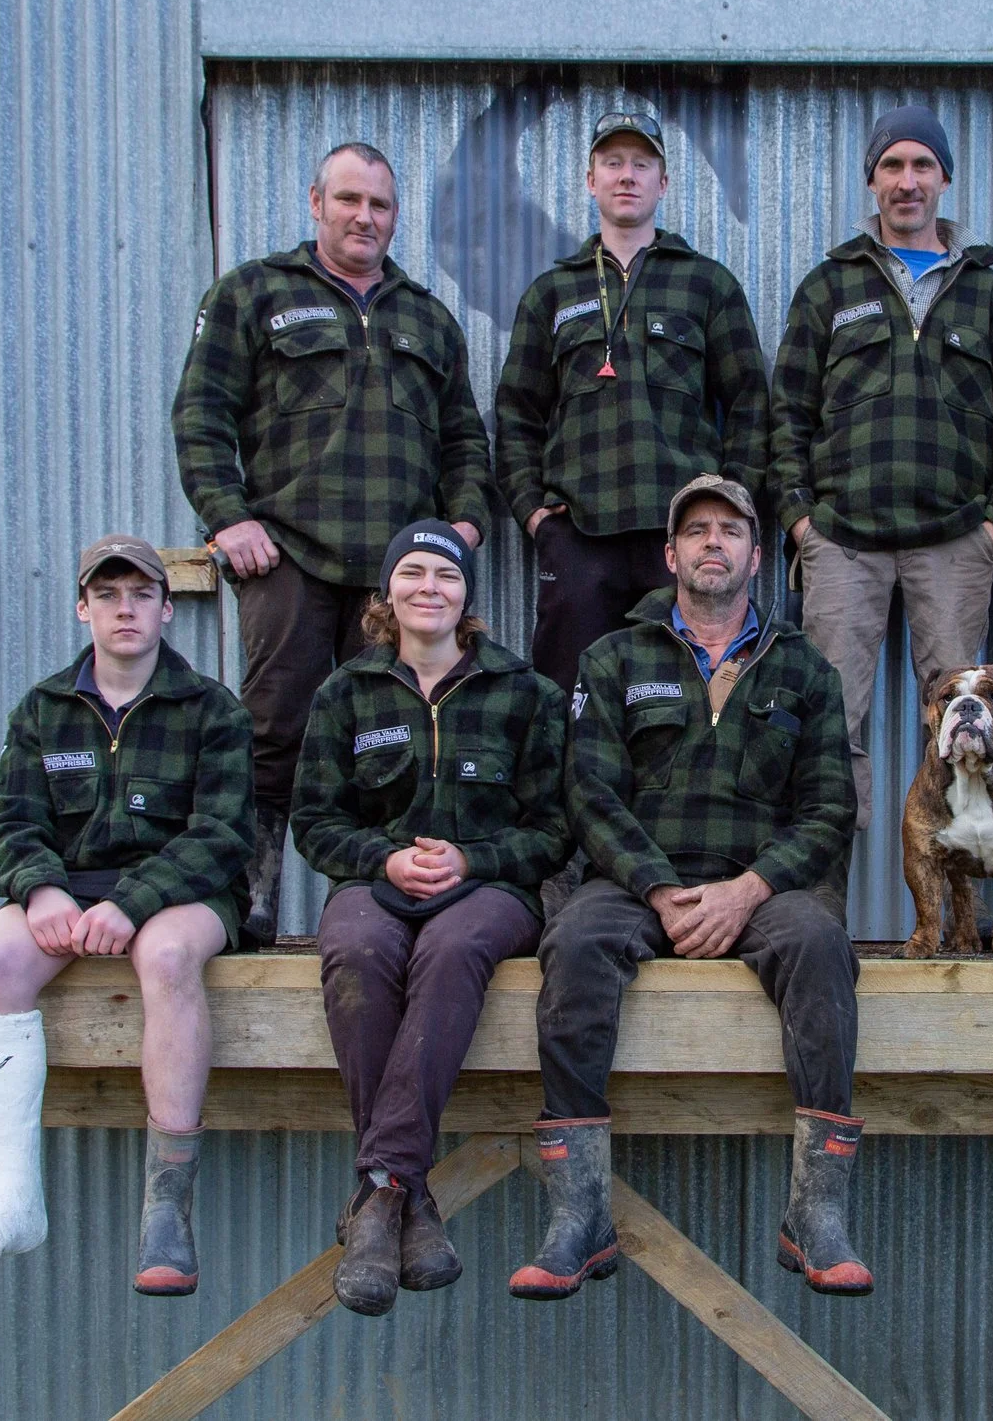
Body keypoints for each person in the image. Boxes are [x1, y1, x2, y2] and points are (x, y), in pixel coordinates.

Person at [510, 475, 869, 1301]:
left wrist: (748, 890)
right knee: (572, 942)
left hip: (762, 886)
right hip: (637, 882)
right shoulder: (612, 658)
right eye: (697, 530)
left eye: (731, 530)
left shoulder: (806, 671)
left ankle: (816, 1214)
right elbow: (588, 795)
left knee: (820, 944)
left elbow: (826, 809)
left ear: (755, 554)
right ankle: (579, 1216)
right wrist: (660, 890)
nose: (714, 542)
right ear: (670, 554)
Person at [173, 142, 496, 947]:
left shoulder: (427, 316)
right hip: (287, 556)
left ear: (395, 215)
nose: (364, 217)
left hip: (397, 572)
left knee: (392, 733)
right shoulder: (253, 292)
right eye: (349, 199)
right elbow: (201, 414)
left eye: (380, 205)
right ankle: (247, 902)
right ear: (315, 201)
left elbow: (464, 439)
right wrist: (225, 516)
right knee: (274, 729)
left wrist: (464, 524)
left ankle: (382, 905)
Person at [0, 536, 255, 1296]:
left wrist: (132, 902)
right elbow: (14, 822)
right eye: (108, 594)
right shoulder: (43, 709)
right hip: (71, 885)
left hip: (183, 894)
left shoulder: (212, 708)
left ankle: (167, 1208)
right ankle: (9, 1194)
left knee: (168, 956)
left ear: (165, 609)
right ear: (83, 607)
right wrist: (41, 889)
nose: (125, 608)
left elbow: (221, 833)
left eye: (141, 594)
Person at [291, 521, 570, 1316]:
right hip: (372, 883)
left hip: (489, 891)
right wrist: (382, 858)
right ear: (388, 592)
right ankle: (405, 1199)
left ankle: (377, 1190)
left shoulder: (527, 693)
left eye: (446, 576)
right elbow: (313, 821)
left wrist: (472, 859)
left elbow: (555, 828)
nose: (429, 587)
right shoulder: (345, 693)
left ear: (468, 596)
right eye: (411, 573)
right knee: (353, 946)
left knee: (452, 947)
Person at [768, 104, 993, 836]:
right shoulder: (830, 285)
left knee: (964, 727)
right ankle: (822, 902)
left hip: (954, 540)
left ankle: (953, 902)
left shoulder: (986, 293)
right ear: (873, 181)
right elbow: (786, 411)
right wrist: (801, 519)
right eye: (892, 166)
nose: (907, 181)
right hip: (843, 540)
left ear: (944, 179)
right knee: (830, 721)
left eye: (922, 165)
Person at [494, 109, 769, 690]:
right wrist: (536, 516)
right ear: (590, 180)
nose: (627, 176)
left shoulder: (706, 284)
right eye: (612, 163)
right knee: (570, 698)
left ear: (662, 184)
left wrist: (728, 512)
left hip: (680, 541)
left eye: (641, 164)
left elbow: (750, 403)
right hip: (579, 539)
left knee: (683, 697)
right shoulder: (551, 292)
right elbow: (517, 413)